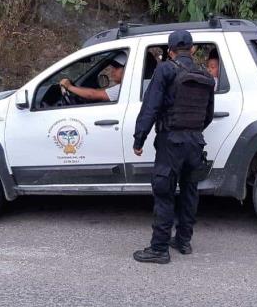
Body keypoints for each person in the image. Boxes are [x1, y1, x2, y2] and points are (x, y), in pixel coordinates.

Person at [132, 30, 215, 264]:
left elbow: (151, 106)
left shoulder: (165, 69)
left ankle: (159, 249)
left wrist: (140, 138)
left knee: (164, 192)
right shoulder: (206, 76)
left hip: (171, 142)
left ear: (169, 51)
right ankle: (183, 241)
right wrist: (192, 132)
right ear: (192, 49)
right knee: (190, 192)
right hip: (196, 142)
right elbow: (208, 115)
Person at [59, 51, 126, 102]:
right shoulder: (123, 87)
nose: (113, 70)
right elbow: (102, 91)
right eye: (113, 67)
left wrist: (69, 86)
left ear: (127, 69)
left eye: (117, 67)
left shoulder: (123, 89)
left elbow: (92, 94)